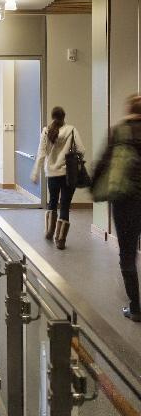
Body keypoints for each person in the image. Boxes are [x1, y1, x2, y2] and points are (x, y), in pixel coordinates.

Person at [92, 95, 141, 322]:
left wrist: (93, 185)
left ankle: (136, 308)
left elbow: (104, 162)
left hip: (126, 202)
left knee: (128, 254)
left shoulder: (119, 131)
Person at [31, 106, 85, 250]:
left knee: (53, 201)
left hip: (52, 173)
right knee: (65, 204)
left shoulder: (46, 131)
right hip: (68, 173)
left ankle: (49, 231)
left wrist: (35, 172)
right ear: (64, 116)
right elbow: (81, 150)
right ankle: (60, 240)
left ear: (52, 116)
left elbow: (41, 154)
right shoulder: (72, 130)